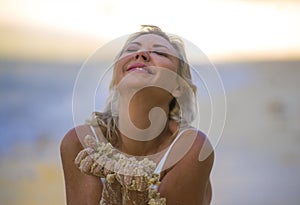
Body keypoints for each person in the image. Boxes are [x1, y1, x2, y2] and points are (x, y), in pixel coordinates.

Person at [60, 25, 214, 205]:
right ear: (116, 80)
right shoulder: (81, 143)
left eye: (161, 53)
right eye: (132, 50)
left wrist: (130, 191)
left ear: (178, 87)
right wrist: (114, 187)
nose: (140, 54)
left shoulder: (190, 148)